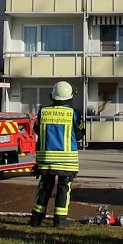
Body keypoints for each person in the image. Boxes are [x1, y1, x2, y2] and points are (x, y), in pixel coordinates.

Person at [29, 80, 84, 228]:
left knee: (44, 188)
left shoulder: (43, 112)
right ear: (70, 97)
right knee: (63, 189)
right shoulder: (73, 114)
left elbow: (36, 130)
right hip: (67, 161)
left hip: (45, 160)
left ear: (52, 96)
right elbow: (79, 134)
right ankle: (60, 222)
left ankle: (35, 220)